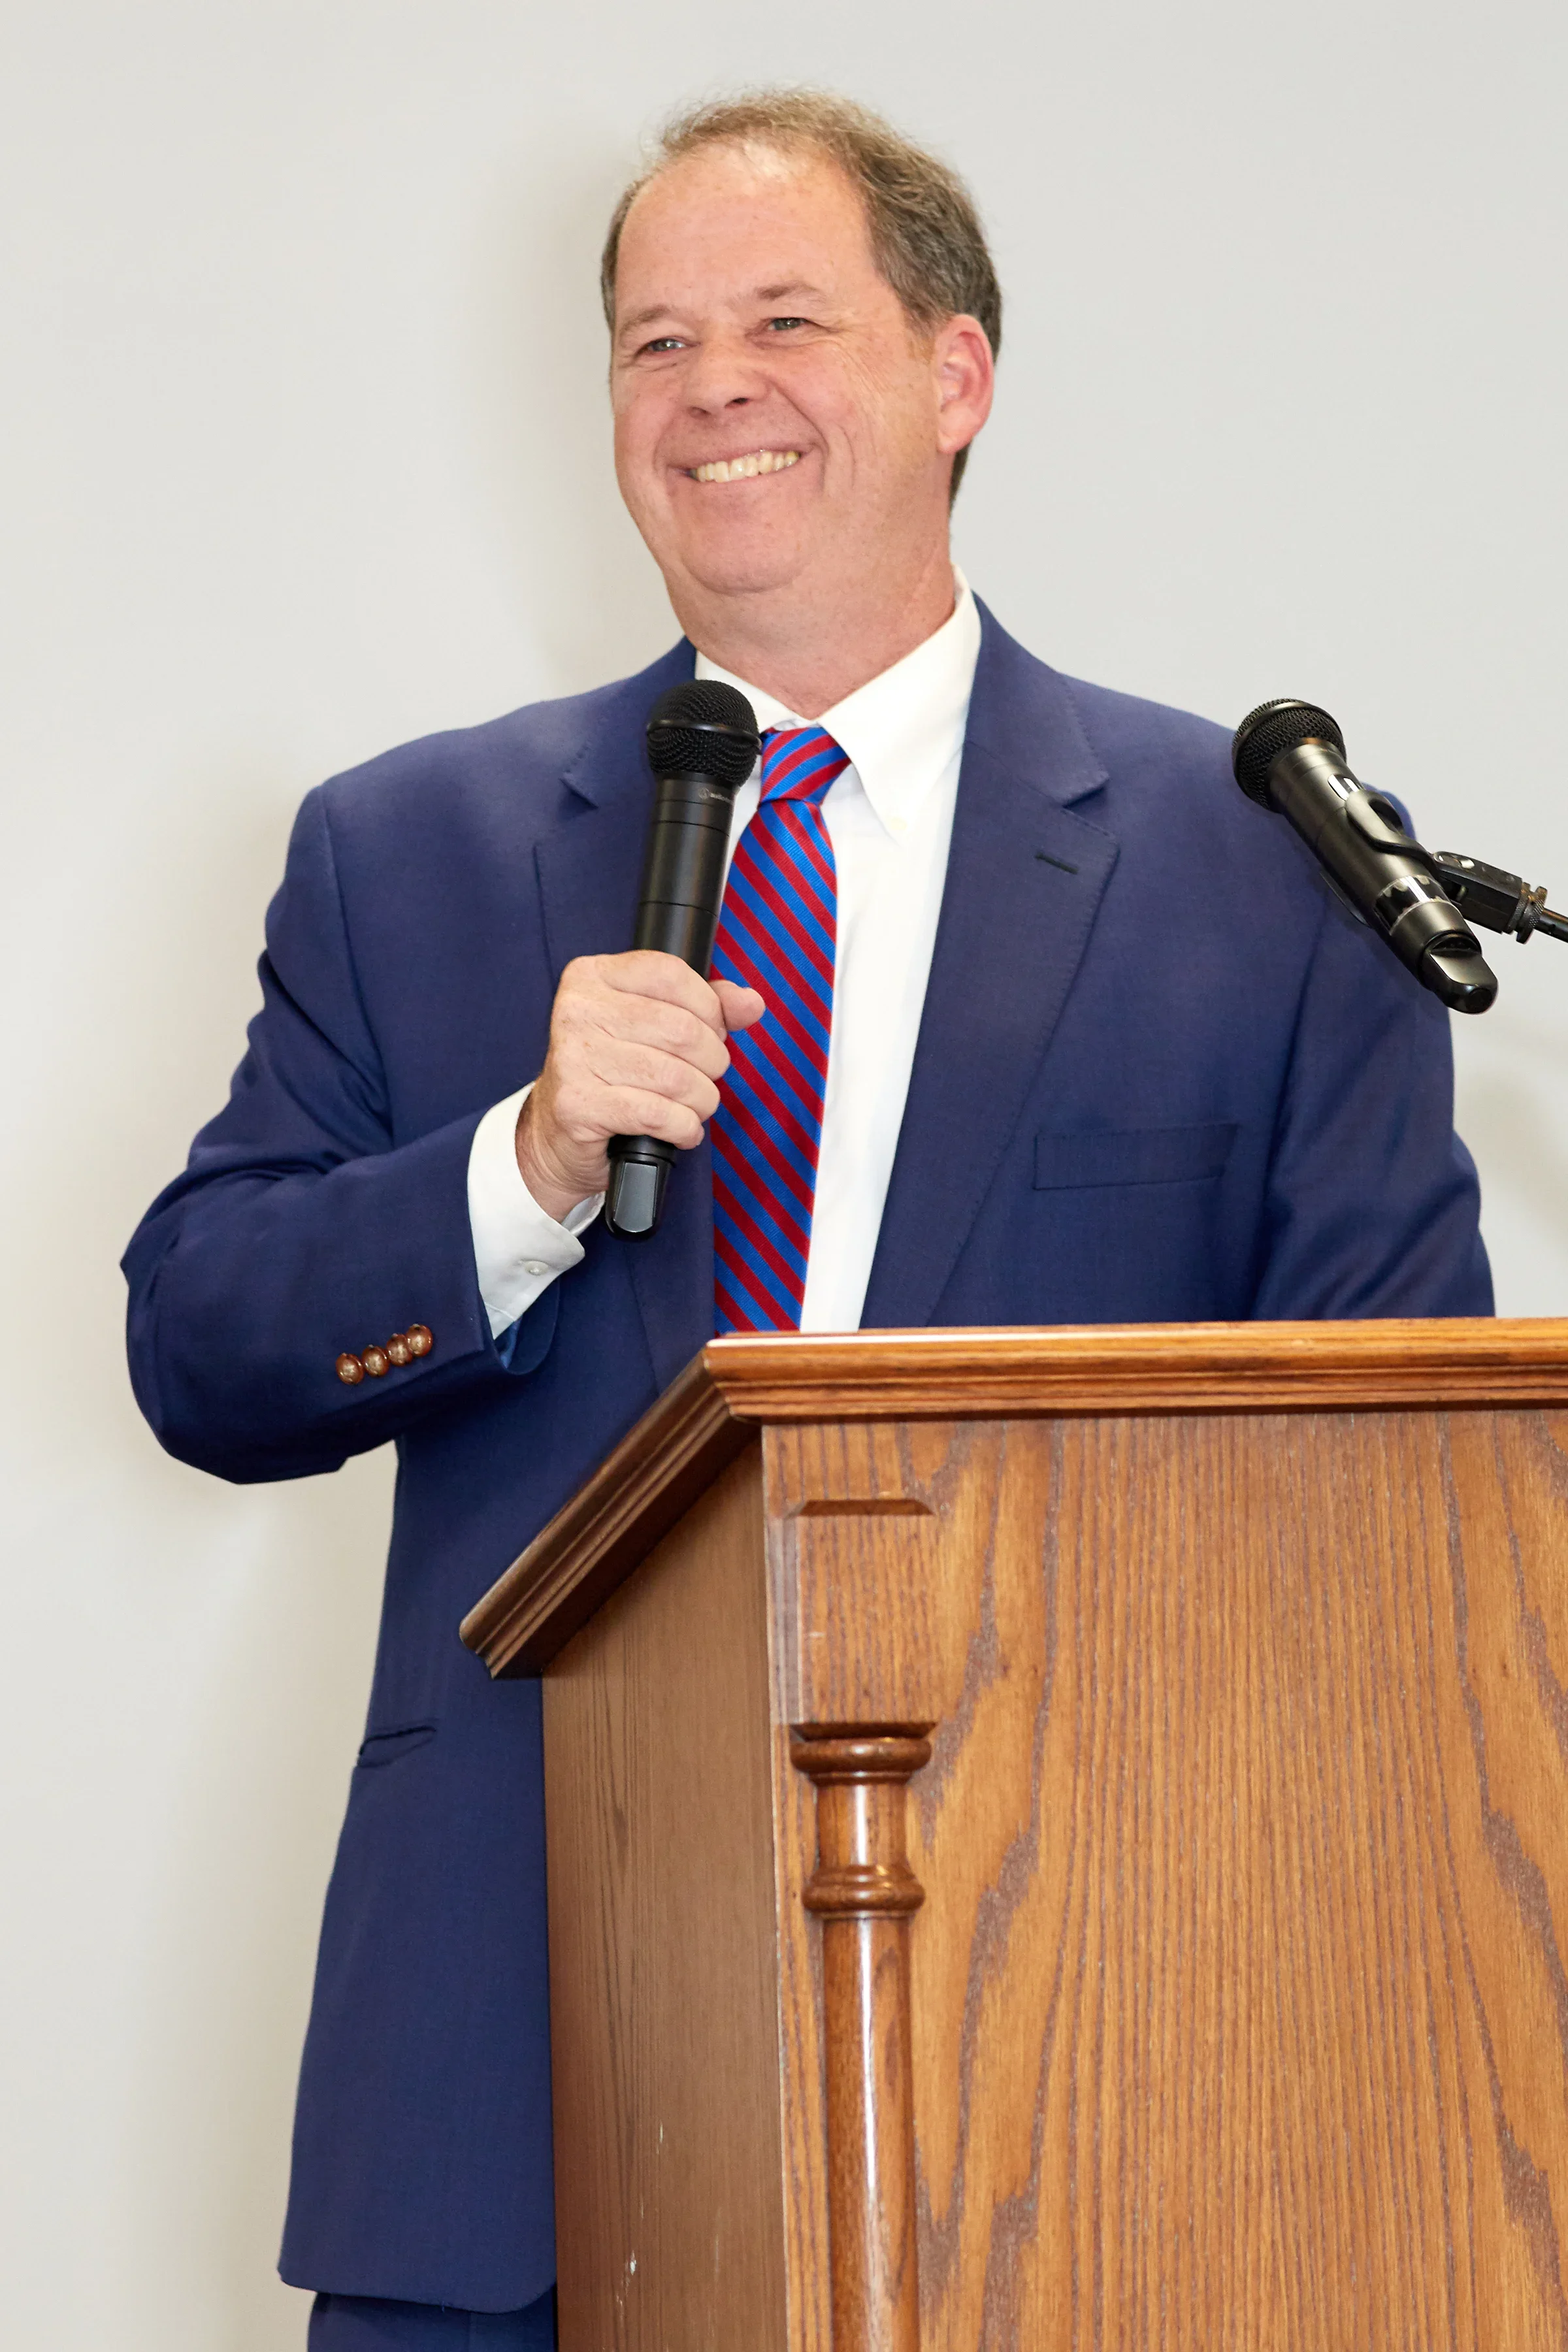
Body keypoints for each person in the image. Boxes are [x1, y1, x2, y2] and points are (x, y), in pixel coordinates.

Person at [122, 88, 1491, 2350]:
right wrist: (519, 1170)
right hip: (514, 2081)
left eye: (782, 318)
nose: (713, 388)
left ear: (955, 377)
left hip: (1092, 2064)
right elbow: (202, 1346)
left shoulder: (1260, 865)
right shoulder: (411, 850)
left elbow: (1389, 1510)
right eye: (654, 345)